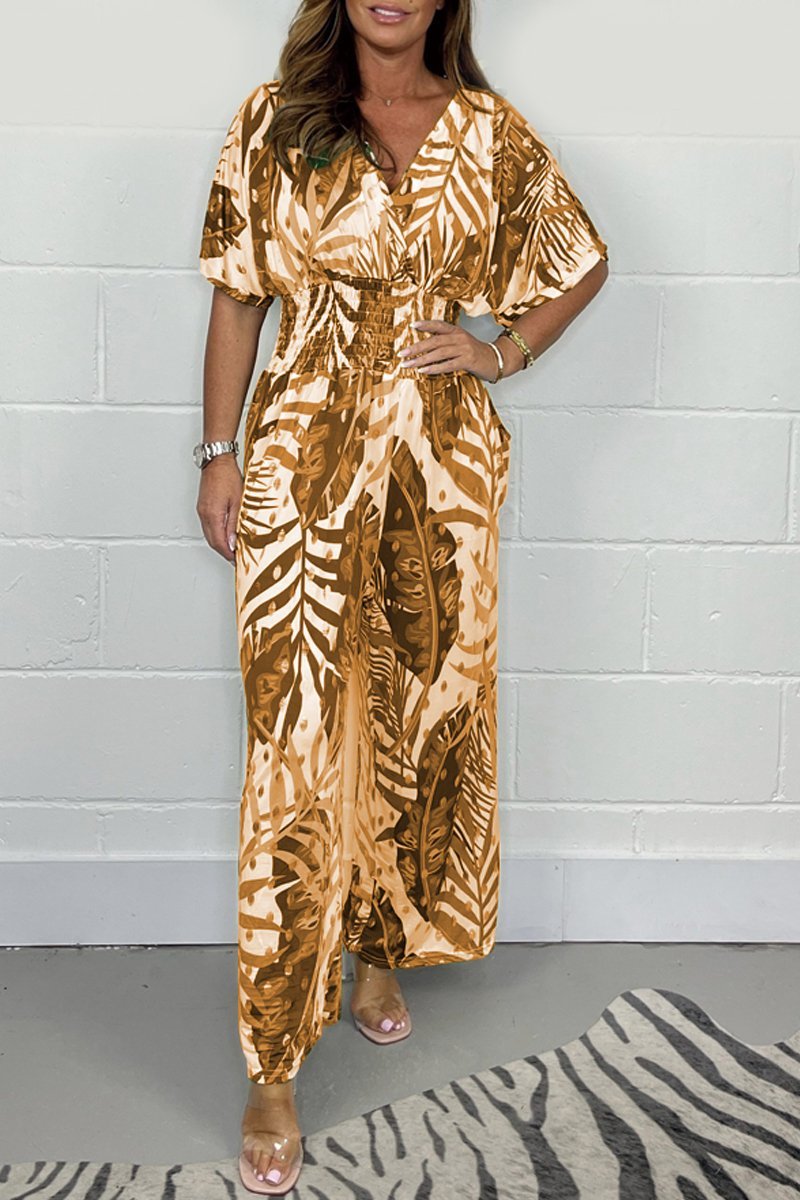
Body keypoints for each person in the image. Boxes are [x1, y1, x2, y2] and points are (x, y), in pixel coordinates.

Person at [195, 0, 609, 1192]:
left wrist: (498, 348)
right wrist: (217, 455)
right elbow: (238, 296)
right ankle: (273, 1059)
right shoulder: (277, 121)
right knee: (293, 744)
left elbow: (578, 261)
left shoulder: (487, 131)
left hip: (442, 474)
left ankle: (376, 950)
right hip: (301, 464)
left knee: (415, 725)